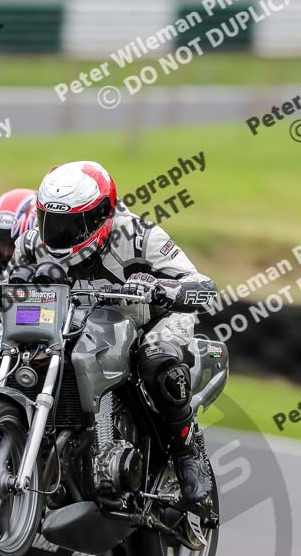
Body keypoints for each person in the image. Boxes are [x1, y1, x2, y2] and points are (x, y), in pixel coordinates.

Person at [12, 161, 218, 504]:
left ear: (101, 216)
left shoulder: (140, 236)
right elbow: (13, 278)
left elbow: (203, 286)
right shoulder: (34, 242)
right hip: (77, 325)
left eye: (70, 225)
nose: (58, 236)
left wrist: (163, 288)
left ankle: (187, 458)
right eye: (51, 221)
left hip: (149, 323)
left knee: (156, 359)